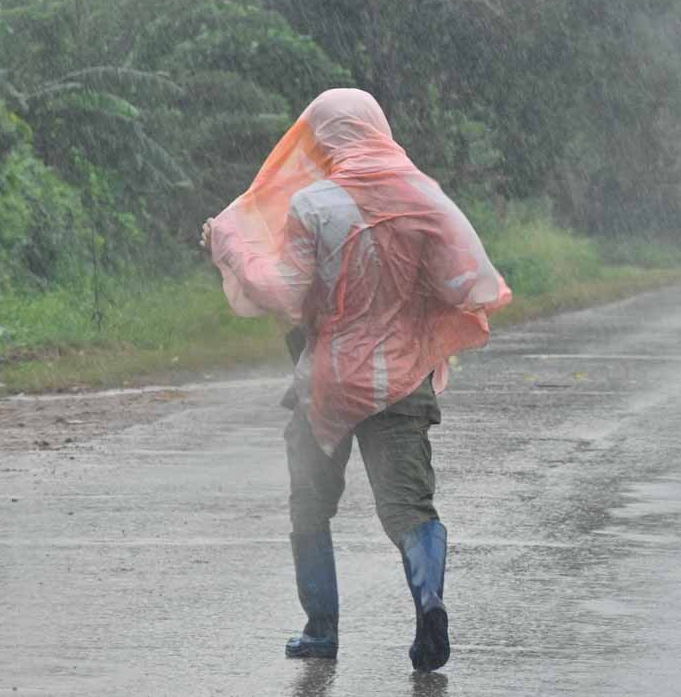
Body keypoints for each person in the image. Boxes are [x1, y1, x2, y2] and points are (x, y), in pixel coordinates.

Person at [201, 89, 510, 672]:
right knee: (410, 508)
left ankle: (321, 631)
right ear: (378, 127)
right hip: (402, 378)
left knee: (310, 506)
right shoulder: (424, 197)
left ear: (323, 140)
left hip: (331, 379)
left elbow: (284, 293)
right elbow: (468, 282)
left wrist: (232, 249)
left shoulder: (314, 203)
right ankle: (430, 601)